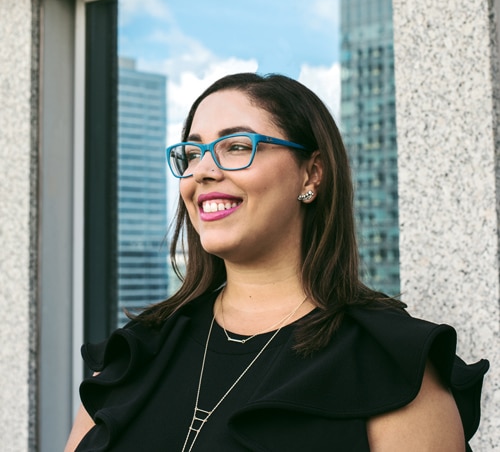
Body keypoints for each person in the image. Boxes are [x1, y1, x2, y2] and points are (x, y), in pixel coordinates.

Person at [66, 73, 488, 451]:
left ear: (312, 174)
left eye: (237, 146)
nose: (203, 171)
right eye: (192, 154)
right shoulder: (139, 350)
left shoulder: (391, 365)